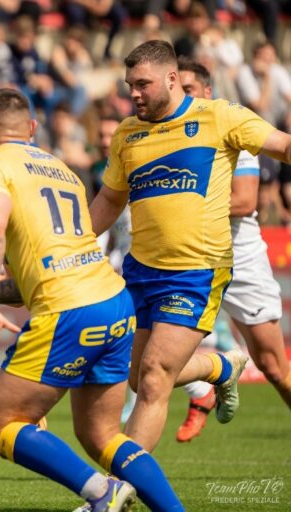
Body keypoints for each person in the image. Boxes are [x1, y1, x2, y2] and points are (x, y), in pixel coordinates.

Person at [0, 87, 182, 511]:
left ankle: (102, 492)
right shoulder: (61, 169)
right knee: (101, 434)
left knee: (1, 424)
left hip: (68, 308)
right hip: (113, 300)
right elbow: (46, 268)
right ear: (32, 128)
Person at [88, 40, 291, 453]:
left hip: (198, 269)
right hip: (142, 270)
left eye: (142, 84)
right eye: (130, 85)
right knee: (137, 376)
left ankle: (122, 482)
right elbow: (110, 199)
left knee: (154, 376)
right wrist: (72, 245)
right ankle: (221, 365)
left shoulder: (219, 116)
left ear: (172, 79)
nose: (134, 94)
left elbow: (283, 146)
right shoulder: (127, 133)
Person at [173, 58, 291, 442]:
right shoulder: (164, 137)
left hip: (239, 257)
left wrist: (177, 205)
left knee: (273, 366)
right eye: (177, 90)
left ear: (207, 92)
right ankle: (207, 385)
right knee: (151, 362)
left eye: (189, 89)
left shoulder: (230, 129)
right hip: (186, 258)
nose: (182, 97)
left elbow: (243, 201)